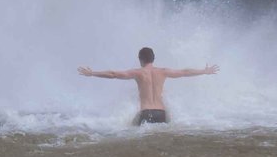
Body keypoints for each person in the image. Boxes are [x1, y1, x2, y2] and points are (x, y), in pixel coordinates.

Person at [78, 47, 219, 125]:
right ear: (153, 59)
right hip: (162, 114)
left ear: (140, 59)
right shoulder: (163, 72)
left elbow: (113, 74)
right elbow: (184, 72)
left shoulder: (138, 73)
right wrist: (204, 71)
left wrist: (92, 73)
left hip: (146, 113)